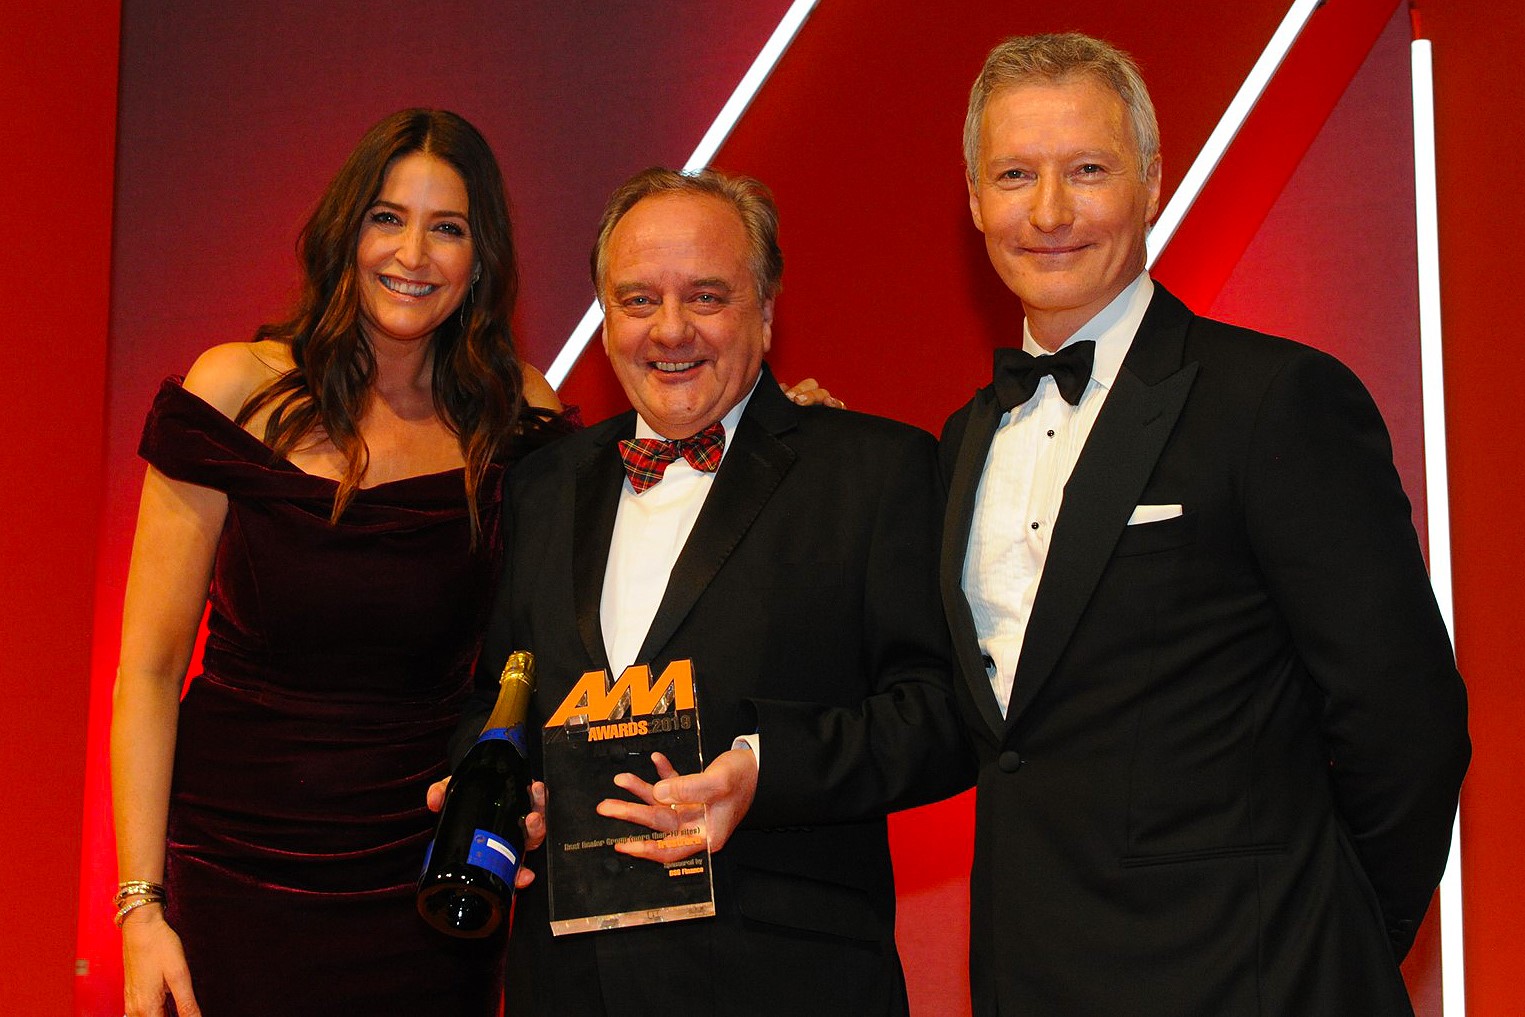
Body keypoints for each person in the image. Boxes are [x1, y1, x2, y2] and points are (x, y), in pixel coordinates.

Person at [940, 33, 1470, 1016]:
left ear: (1149, 184)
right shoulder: (964, 440)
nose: (1048, 211)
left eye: (1086, 170)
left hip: (1253, 979)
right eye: (1014, 174)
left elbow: (1405, 716)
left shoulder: (1275, 400)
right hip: (1034, 980)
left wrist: (1336, 931)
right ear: (973, 199)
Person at [467, 167, 973, 1017]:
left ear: (767, 311)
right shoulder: (542, 486)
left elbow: (941, 714)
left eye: (705, 296)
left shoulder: (874, 470)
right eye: (636, 301)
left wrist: (761, 769)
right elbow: (497, 696)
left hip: (786, 983)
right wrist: (496, 788)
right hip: (569, 986)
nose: (670, 330)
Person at [110, 108, 573, 1017]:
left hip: (428, 888)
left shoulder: (514, 415)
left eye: (449, 228)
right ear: (346, 228)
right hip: (235, 877)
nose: (413, 254)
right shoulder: (235, 391)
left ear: (482, 261)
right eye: (387, 217)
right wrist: (140, 907)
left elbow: (607, 549)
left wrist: (760, 426)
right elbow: (150, 669)